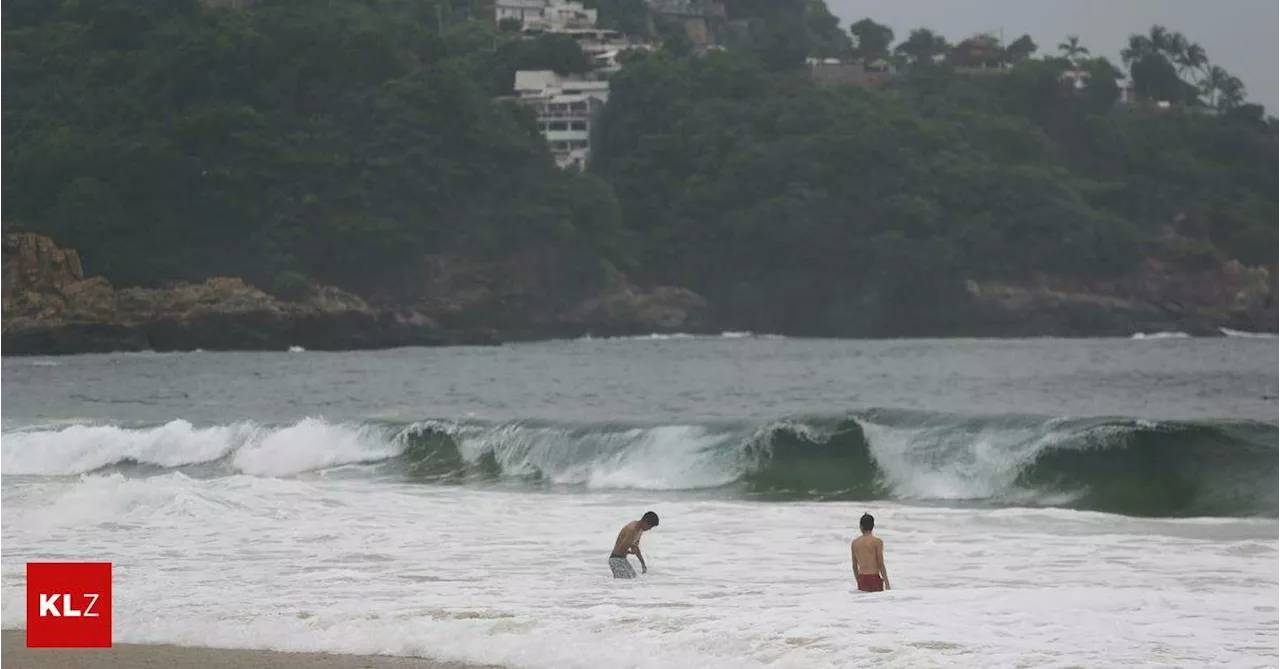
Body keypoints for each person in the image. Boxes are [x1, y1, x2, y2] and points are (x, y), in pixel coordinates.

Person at [609, 511, 659, 579]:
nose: (649, 529)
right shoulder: (632, 529)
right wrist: (631, 552)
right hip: (616, 560)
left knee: (634, 579)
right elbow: (623, 547)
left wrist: (643, 564)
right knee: (623, 584)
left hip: (622, 559)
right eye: (650, 526)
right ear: (645, 522)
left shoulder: (640, 529)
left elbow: (635, 547)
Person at [851, 512, 890, 592]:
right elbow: (880, 563)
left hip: (862, 578)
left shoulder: (855, 543)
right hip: (874, 577)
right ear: (873, 526)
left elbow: (854, 566)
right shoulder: (877, 541)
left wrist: (858, 580)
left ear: (860, 526)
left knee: (864, 603)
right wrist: (887, 583)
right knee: (876, 602)